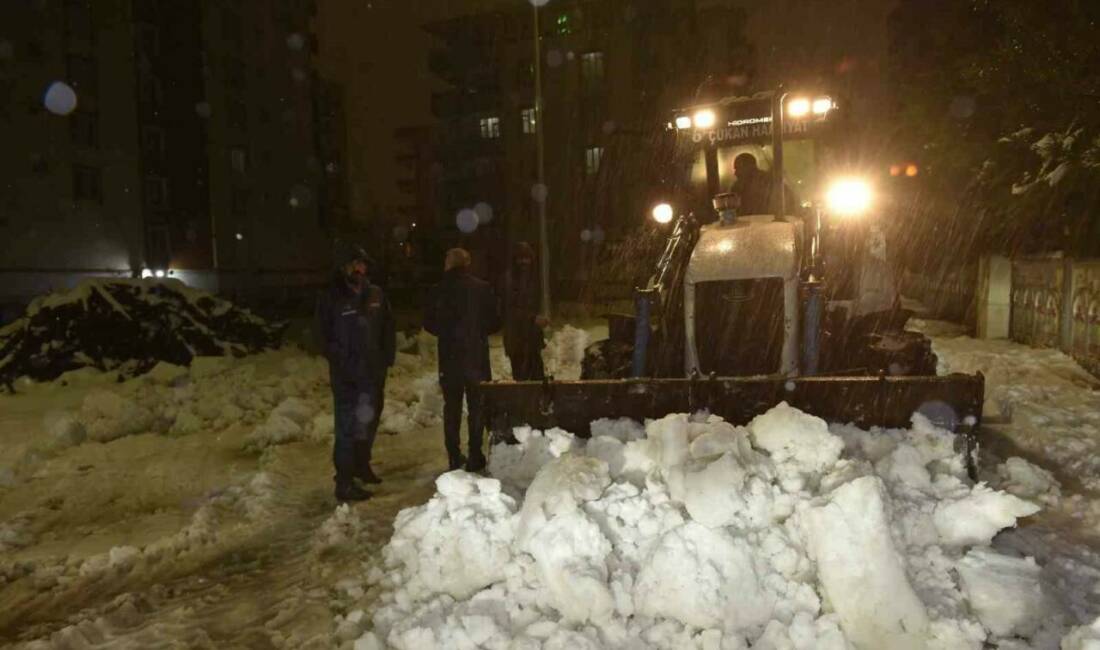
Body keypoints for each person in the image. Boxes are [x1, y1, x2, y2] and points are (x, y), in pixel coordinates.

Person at [316, 242, 395, 502]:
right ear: (344, 267)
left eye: (363, 264)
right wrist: (341, 358)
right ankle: (344, 482)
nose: (361, 268)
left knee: (368, 423)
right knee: (347, 428)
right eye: (356, 264)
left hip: (373, 374)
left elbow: (387, 329)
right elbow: (320, 336)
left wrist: (386, 359)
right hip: (347, 376)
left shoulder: (375, 294)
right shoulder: (331, 296)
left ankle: (362, 465)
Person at [424, 248, 501, 472]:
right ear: (467, 264)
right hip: (476, 356)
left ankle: (453, 454)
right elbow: (495, 322)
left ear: (448, 264)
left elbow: (428, 322)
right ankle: (475, 453)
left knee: (453, 407)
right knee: (477, 406)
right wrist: (475, 331)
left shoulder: (437, 290)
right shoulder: (482, 288)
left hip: (449, 357)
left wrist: (448, 333)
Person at [501, 242, 547, 380]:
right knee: (523, 378)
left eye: (527, 258)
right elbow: (509, 310)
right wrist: (533, 318)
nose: (524, 262)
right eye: (521, 259)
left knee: (536, 377)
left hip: (529, 338)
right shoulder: (509, 280)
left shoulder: (531, 279)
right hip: (517, 338)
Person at [728, 152, 800, 216]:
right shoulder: (736, 189)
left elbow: (790, 205)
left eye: (738, 168)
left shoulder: (771, 183)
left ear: (749, 167)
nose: (736, 173)